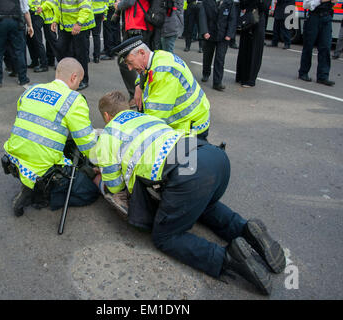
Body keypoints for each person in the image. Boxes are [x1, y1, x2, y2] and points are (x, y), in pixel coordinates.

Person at [95, 91, 286, 295]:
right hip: (210, 155)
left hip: (186, 174)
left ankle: (229, 259)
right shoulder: (148, 118)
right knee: (200, 204)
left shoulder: (109, 133)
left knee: (166, 236)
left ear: (107, 117)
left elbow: (115, 186)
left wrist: (101, 178)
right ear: (127, 107)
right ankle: (247, 231)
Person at [2, 58, 100, 216]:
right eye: (79, 82)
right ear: (74, 77)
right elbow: (87, 143)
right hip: (44, 167)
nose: (78, 87)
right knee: (90, 192)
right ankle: (43, 196)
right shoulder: (73, 100)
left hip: (14, 157)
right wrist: (103, 165)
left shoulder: (31, 90)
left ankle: (32, 187)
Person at [112, 36, 211, 140]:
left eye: (130, 62)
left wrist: (130, 134)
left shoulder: (164, 73)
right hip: (187, 121)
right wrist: (138, 85)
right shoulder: (157, 56)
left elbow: (155, 118)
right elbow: (144, 72)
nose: (129, 68)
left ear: (142, 52)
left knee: (183, 155)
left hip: (188, 127)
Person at [43, 0, 96, 91]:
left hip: (79, 27)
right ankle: (67, 77)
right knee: (62, 50)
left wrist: (79, 23)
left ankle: (83, 80)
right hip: (65, 27)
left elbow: (85, 8)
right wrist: (55, 20)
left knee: (80, 54)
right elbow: (58, 7)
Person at [0, 0, 34, 88]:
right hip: (16, 21)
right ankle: (22, 78)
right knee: (19, 50)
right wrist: (30, 25)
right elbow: (25, 10)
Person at [114, 0, 154, 104]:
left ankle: (138, 95)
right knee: (132, 63)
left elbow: (129, 2)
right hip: (135, 27)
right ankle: (138, 93)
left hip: (139, 26)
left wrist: (119, 5)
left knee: (132, 62)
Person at [199, 0, 237, 91]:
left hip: (223, 36)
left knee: (220, 59)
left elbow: (232, 19)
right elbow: (202, 17)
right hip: (210, 34)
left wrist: (229, 34)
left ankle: (217, 83)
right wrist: (205, 31)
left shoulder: (229, 3)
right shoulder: (206, 2)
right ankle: (206, 73)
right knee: (207, 56)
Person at [298, 0, 336, 86]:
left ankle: (323, 76)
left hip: (327, 17)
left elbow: (334, 2)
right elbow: (305, 5)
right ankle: (303, 72)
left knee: (325, 47)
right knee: (308, 46)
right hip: (313, 17)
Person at [235, 0, 267, 88]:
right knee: (245, 48)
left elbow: (264, 7)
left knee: (254, 49)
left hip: (256, 18)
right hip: (250, 18)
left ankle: (250, 79)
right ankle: (243, 76)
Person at [26, 0, 49, 73]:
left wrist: (42, 7)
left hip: (38, 15)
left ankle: (44, 64)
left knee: (37, 40)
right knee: (29, 39)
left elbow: (49, 2)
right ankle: (34, 61)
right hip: (29, 15)